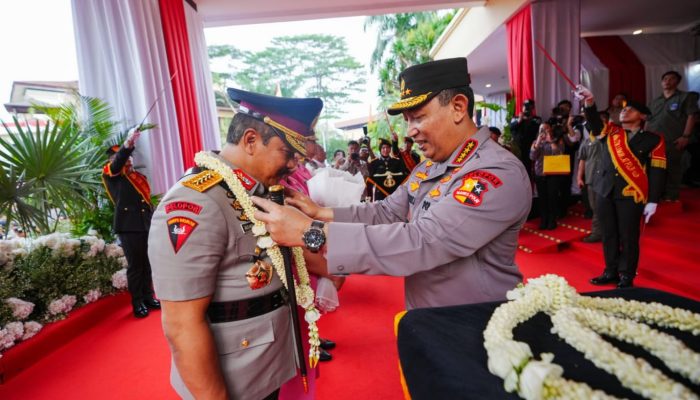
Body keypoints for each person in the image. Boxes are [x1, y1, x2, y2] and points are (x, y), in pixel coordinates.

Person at [252, 57, 532, 309]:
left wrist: (309, 231)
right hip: (429, 316)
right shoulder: (432, 165)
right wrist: (319, 213)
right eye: (408, 120)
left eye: (419, 117)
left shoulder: (494, 171)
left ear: (458, 107)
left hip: (476, 324)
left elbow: (424, 240)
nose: (410, 131)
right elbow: (387, 211)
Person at [148, 88, 323, 400]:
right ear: (251, 141)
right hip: (235, 374)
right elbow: (181, 326)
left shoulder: (259, 190)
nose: (295, 166)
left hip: (269, 358)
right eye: (289, 153)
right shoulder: (196, 202)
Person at [577, 85, 666, 289]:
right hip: (604, 189)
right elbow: (593, 124)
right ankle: (610, 271)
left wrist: (653, 199)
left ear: (642, 116)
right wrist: (589, 102)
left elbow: (657, 171)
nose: (624, 111)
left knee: (628, 236)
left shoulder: (654, 139)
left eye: (631, 109)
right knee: (609, 234)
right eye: (623, 109)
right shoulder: (610, 131)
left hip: (631, 193)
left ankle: (626, 274)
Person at [102, 129, 159, 318]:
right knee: (136, 266)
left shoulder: (138, 177)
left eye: (130, 157)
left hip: (145, 225)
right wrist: (128, 144)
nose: (129, 160)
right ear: (113, 160)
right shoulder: (112, 176)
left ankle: (148, 296)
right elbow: (118, 162)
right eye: (124, 157)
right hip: (129, 227)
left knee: (147, 264)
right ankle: (137, 302)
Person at [646, 71, 699, 201]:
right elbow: (648, 120)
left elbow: (692, 116)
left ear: (678, 81)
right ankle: (657, 195)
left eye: (671, 78)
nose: (667, 81)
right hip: (653, 140)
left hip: (673, 139)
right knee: (654, 169)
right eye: (664, 78)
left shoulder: (685, 97)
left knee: (672, 168)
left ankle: (671, 195)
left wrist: (686, 136)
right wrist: (644, 137)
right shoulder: (655, 101)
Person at [530, 121, 568, 230]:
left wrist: (551, 141)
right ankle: (543, 219)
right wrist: (538, 142)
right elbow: (532, 156)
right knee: (542, 198)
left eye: (546, 129)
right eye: (542, 129)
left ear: (550, 129)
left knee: (552, 197)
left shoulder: (557, 140)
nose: (544, 131)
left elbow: (560, 153)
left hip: (553, 173)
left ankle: (552, 220)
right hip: (540, 173)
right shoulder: (535, 142)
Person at [510, 99, 542, 180]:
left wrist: (528, 119)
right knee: (517, 167)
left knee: (527, 168)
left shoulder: (536, 119)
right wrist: (519, 120)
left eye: (529, 107)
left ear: (533, 108)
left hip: (529, 147)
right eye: (525, 106)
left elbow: (536, 129)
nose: (527, 109)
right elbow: (511, 128)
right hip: (517, 147)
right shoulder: (515, 118)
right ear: (522, 107)